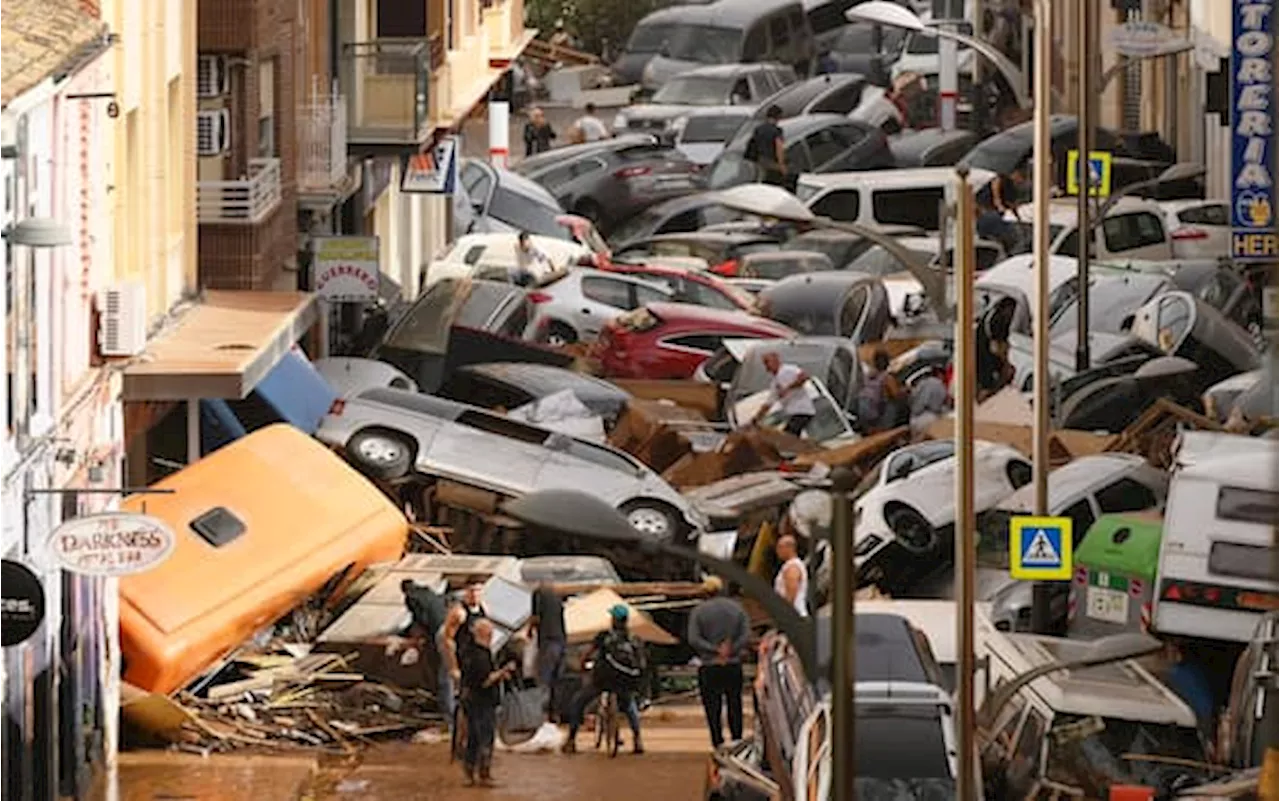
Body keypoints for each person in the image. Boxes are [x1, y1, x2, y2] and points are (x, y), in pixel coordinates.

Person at [562, 604, 646, 755]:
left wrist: (581, 664)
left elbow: (588, 653)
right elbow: (641, 663)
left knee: (578, 702)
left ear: (613, 619)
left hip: (603, 679)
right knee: (629, 705)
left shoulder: (604, 636)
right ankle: (638, 739)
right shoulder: (634, 638)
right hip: (626, 680)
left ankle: (571, 740)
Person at [686, 577, 750, 749]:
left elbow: (693, 638)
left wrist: (714, 650)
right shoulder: (737, 609)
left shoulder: (698, 611)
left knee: (712, 706)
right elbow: (745, 636)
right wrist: (730, 650)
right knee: (734, 702)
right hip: (732, 663)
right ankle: (737, 738)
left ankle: (718, 741)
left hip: (709, 665)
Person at [459, 617, 519, 786]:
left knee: (473, 738)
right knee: (485, 738)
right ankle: (484, 775)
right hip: (482, 702)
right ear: (485, 634)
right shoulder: (481, 655)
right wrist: (503, 672)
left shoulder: (469, 652)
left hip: (471, 701)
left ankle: (469, 773)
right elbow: (484, 681)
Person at [442, 578, 489, 736]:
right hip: (464, 662)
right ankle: (462, 738)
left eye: (478, 591)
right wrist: (453, 667)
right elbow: (447, 640)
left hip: (479, 664)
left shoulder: (482, 609)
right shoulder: (459, 613)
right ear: (466, 592)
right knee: (464, 703)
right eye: (471, 591)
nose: (475, 595)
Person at [528, 581, 567, 721]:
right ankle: (554, 713)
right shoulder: (557, 596)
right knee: (557, 680)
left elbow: (536, 617)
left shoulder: (538, 594)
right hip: (561, 641)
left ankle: (541, 715)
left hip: (548, 641)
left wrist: (529, 630)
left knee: (544, 680)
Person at [750, 352, 815, 436]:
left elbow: (804, 377)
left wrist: (788, 388)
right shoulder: (774, 383)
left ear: (776, 361)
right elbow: (768, 403)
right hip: (793, 413)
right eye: (765, 363)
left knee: (787, 436)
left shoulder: (788, 369)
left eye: (767, 362)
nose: (767, 366)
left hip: (802, 410)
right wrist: (756, 418)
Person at [975, 164, 1026, 251]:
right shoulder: (1004, 179)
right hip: (989, 207)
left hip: (995, 213)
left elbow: (1012, 205)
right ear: (1015, 174)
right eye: (1019, 179)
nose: (1019, 181)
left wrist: (1018, 218)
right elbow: (996, 183)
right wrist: (998, 203)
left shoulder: (1013, 189)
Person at [856, 349, 906, 434]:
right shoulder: (887, 378)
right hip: (883, 412)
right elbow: (896, 395)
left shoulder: (867, 376)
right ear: (887, 362)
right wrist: (905, 390)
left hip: (868, 414)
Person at [744, 105, 787, 187]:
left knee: (761, 181)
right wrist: (782, 165)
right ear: (778, 116)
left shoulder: (758, 129)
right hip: (772, 163)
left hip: (759, 161)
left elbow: (753, 144)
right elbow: (779, 149)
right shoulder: (777, 131)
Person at [908, 363, 951, 438]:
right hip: (929, 419)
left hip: (914, 419)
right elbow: (937, 406)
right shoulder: (939, 384)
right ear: (940, 374)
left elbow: (912, 399)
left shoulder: (921, 383)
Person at [774, 535, 809, 618]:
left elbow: (791, 593)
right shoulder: (790, 565)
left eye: (780, 547)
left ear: (790, 548)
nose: (777, 551)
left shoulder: (792, 567)